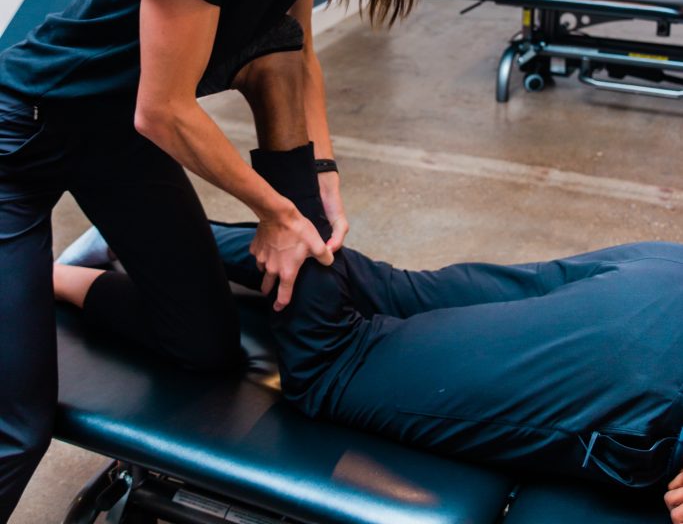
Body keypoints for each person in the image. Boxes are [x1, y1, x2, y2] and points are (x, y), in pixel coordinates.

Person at [0, 0, 469, 521]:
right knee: (17, 425)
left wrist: (318, 180)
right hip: (22, 133)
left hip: (108, 138)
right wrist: (271, 212)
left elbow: (293, 58)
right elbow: (164, 111)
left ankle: (52, 278)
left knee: (203, 345)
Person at [56, 190, 683, 522]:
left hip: (661, 278)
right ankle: (55, 276)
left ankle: (117, 239)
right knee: (333, 368)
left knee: (393, 290)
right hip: (645, 373)